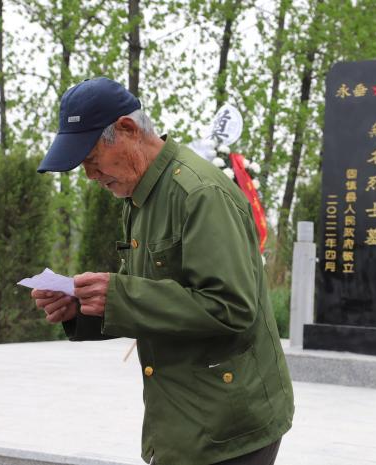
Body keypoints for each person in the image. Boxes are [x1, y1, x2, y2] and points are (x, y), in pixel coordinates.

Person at [30, 77, 294, 465]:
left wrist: (118, 296)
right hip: (181, 418)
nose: (90, 176)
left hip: (229, 426)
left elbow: (231, 306)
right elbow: (156, 301)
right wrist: (83, 308)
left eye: (91, 159)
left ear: (127, 130)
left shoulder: (200, 194)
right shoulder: (141, 197)